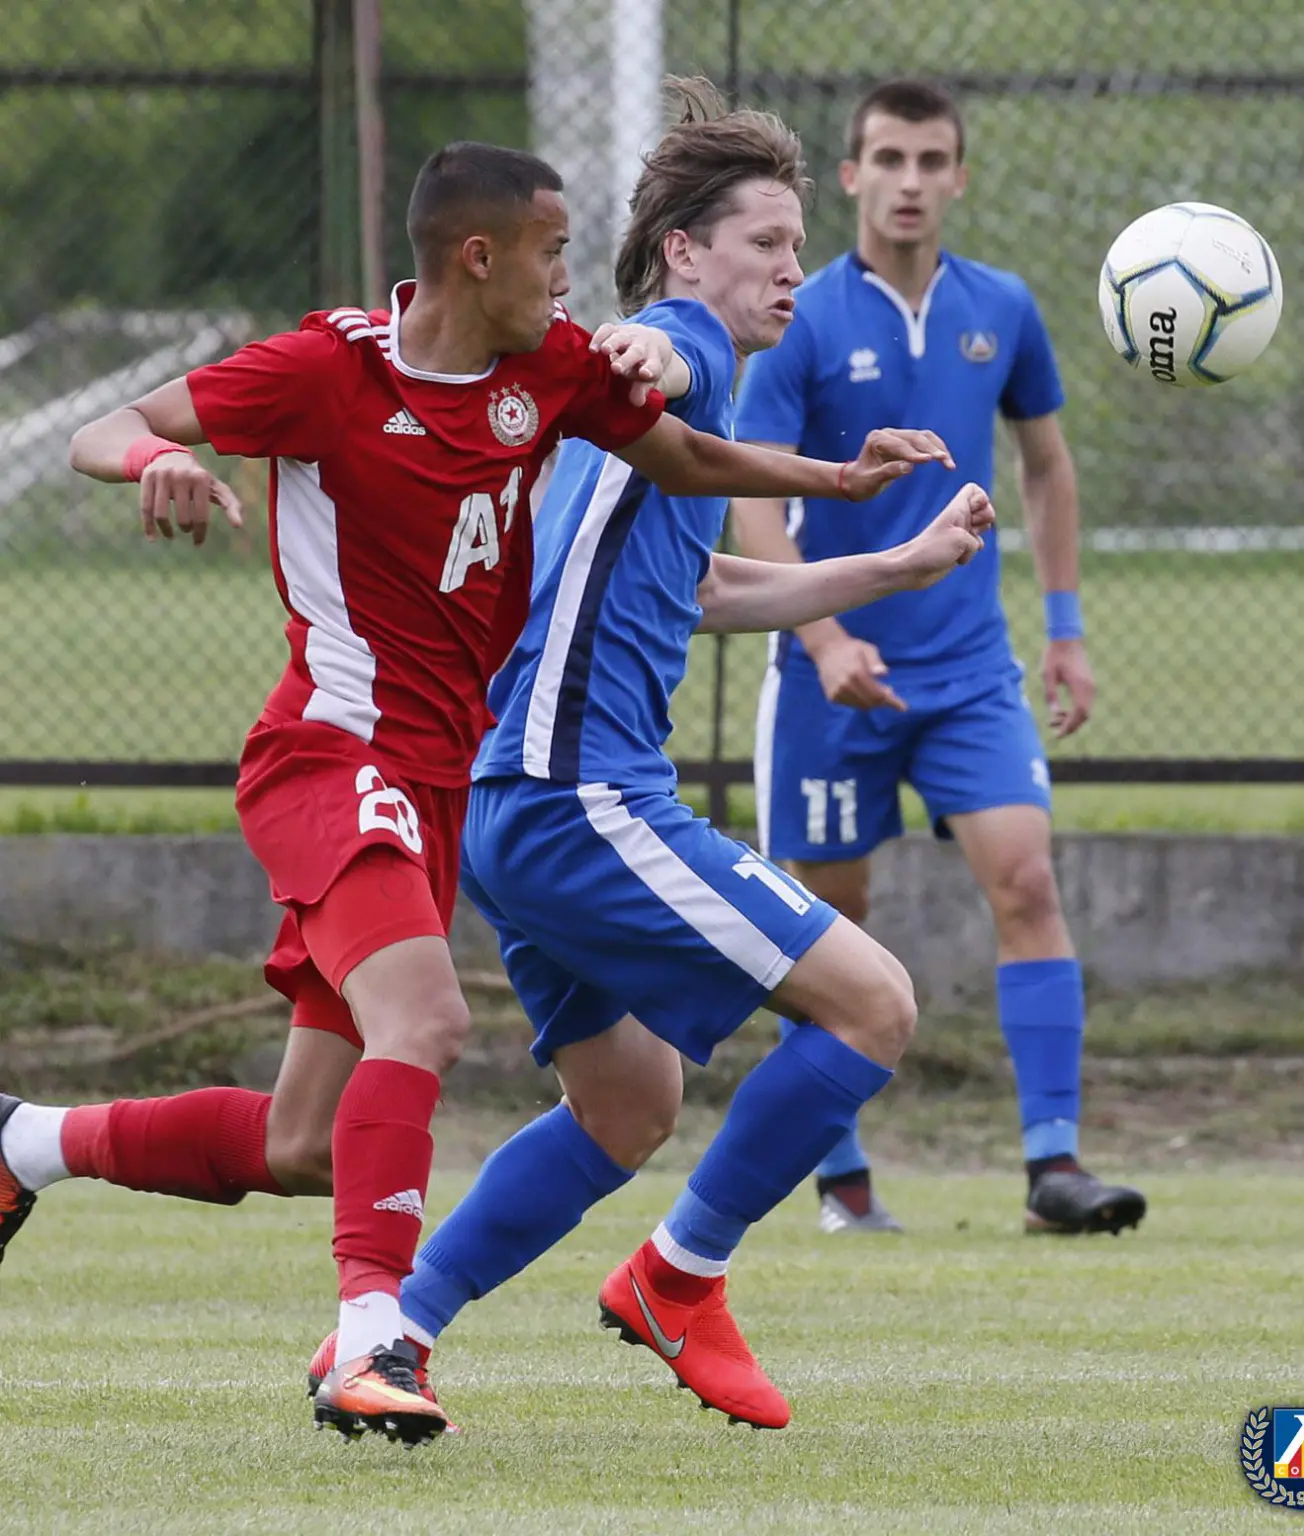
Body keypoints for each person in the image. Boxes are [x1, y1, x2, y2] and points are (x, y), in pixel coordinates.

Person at [0, 135, 938, 1446]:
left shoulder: (540, 377)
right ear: (480, 256)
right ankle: (394, 1338)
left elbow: (681, 469)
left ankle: (26, 1145)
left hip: (454, 785)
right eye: (554, 255)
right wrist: (153, 461)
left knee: (311, 1143)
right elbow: (114, 426)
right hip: (352, 755)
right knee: (441, 1018)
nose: (572, 284)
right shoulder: (333, 368)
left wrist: (841, 489)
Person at [301, 79, 994, 1434]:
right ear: (684, 251)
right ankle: (679, 1279)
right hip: (579, 797)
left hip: (514, 803)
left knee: (627, 1103)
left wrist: (899, 563)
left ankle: (387, 1339)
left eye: (799, 247)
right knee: (874, 1006)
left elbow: (706, 588)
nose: (792, 269)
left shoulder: (638, 441)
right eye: (766, 242)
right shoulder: (686, 349)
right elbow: (655, 354)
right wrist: (642, 351)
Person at [730, 78, 1147, 1238]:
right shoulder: (805, 317)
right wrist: (822, 637)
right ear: (852, 176)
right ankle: (843, 1179)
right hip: (832, 678)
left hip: (969, 670)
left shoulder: (1001, 307)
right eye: (888, 159)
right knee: (828, 926)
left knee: (1027, 882)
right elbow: (749, 492)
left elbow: (1047, 465)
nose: (909, 182)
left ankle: (1054, 1166)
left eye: (930, 161)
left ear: (959, 177)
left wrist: (1065, 630)